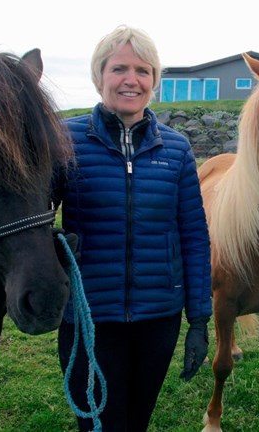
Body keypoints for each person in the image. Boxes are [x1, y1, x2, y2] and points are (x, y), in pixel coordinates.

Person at [54, 25, 212, 431]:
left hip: (158, 317)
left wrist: (198, 320)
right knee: (97, 424)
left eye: (143, 70)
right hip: (90, 318)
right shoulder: (64, 140)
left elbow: (194, 237)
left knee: (136, 421)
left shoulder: (175, 149)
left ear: (154, 82)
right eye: (119, 68)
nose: (131, 80)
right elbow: (30, 216)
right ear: (98, 76)